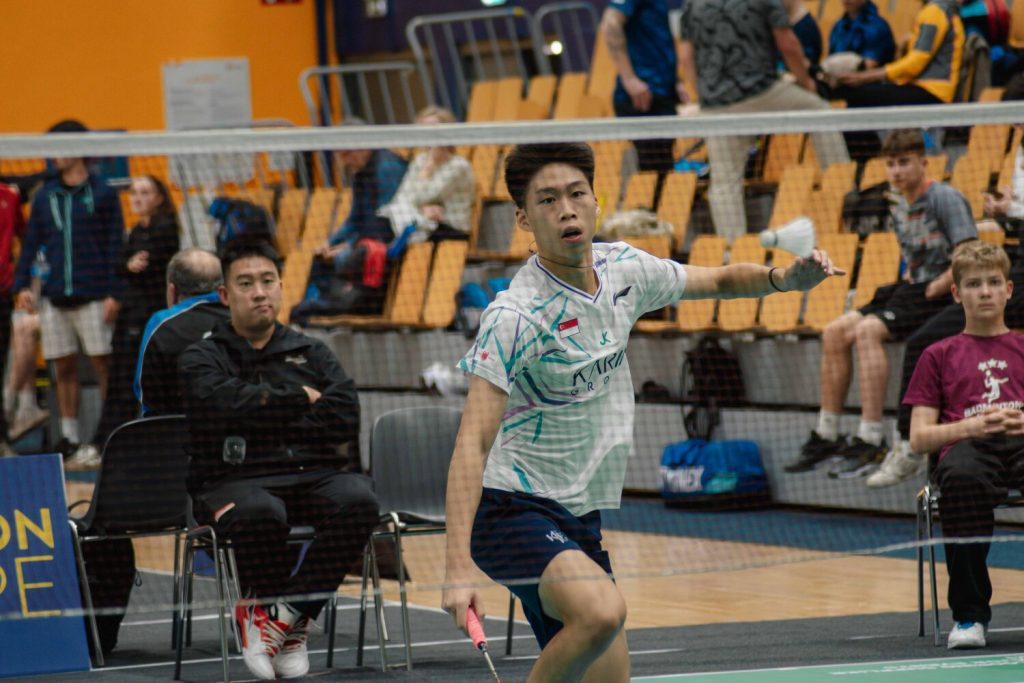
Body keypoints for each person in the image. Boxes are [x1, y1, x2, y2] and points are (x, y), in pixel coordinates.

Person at [441, 142, 841, 681]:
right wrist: (456, 568)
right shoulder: (514, 316)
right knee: (601, 612)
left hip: (579, 511)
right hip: (511, 507)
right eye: (548, 200)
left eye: (576, 194)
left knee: (608, 676)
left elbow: (719, 280)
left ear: (596, 201)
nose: (566, 210)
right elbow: (471, 443)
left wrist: (784, 280)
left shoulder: (624, 270)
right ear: (524, 219)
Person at [179, 239, 378, 680]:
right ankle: (266, 607)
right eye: (246, 283)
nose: (259, 292)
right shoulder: (202, 356)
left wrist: (259, 414)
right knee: (261, 511)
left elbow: (345, 414)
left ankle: (285, 617)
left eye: (268, 281)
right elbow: (218, 405)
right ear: (225, 295)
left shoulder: (312, 352)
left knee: (360, 499)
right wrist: (299, 399)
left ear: (282, 288)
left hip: (309, 475)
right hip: (231, 480)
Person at [785, 129, 977, 479]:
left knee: (868, 331)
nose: (896, 171)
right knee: (834, 331)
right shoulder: (896, 203)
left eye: (904, 162)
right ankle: (827, 433)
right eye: (890, 164)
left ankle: (871, 437)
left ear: (923, 162)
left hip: (938, 293)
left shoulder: (944, 198)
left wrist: (937, 285)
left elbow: (969, 254)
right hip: (910, 287)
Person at [867, 81, 1024, 488]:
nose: (1014, 126)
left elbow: (967, 249)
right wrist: (1007, 210)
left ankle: (906, 444)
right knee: (870, 330)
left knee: (923, 342)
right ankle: (876, 438)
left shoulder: (944, 198)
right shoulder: (1020, 153)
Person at [904, 240, 1024, 650]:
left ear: (1009, 289)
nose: (985, 291)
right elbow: (919, 437)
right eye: (974, 284)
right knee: (960, 480)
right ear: (956, 293)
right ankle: (970, 616)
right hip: (968, 447)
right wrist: (972, 426)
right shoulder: (936, 355)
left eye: (993, 282)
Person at [679, 0, 850, 243]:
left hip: (717, 105)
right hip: (763, 93)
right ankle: (845, 187)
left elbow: (686, 57)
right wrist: (807, 83)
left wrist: (705, 97)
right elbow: (788, 44)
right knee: (819, 110)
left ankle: (733, 250)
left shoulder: (693, 4)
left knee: (724, 183)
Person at [13, 119, 124, 469]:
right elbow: (31, 243)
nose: (53, 155)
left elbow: (115, 245)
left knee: (103, 366)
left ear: (77, 149)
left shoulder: (103, 193)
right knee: (62, 368)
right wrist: (22, 286)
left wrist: (114, 293)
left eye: (58, 147)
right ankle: (70, 438)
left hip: (95, 296)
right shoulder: (45, 195)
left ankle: (111, 435)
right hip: (55, 297)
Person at [94, 175, 179, 443]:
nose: (137, 198)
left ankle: (129, 438)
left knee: (134, 378)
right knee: (119, 376)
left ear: (159, 198)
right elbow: (120, 265)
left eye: (144, 193)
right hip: (130, 312)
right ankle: (109, 439)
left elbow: (142, 266)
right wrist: (127, 264)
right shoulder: (136, 232)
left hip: (147, 315)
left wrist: (128, 265)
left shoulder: (165, 228)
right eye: (134, 193)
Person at [293, 131, 407, 321]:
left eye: (346, 154)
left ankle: (338, 309)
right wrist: (329, 243)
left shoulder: (388, 168)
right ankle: (319, 312)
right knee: (319, 259)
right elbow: (354, 219)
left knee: (345, 258)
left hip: (386, 242)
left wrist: (349, 245)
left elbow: (386, 221)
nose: (344, 162)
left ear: (362, 147)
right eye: (341, 155)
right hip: (365, 240)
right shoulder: (359, 174)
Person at [134, 248, 226, 415]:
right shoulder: (242, 317)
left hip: (174, 426)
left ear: (172, 289)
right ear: (222, 288)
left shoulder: (161, 322)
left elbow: (146, 393)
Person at [601, 0, 686, 177]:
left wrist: (674, 81)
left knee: (663, 171)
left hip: (662, 92)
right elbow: (610, 24)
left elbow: (657, 38)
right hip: (643, 98)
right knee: (653, 174)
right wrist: (629, 79)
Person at [833, 0, 964, 108]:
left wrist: (866, 77)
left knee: (856, 93)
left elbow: (916, 63)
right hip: (928, 88)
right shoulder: (941, 10)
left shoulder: (934, 12)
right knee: (860, 91)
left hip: (932, 91)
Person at [379, 105, 475, 247]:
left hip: (451, 228)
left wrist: (428, 168)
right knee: (381, 222)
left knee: (388, 230)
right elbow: (401, 197)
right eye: (425, 129)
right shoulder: (420, 160)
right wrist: (422, 210)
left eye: (434, 128)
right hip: (425, 222)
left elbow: (421, 197)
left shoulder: (459, 166)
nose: (430, 134)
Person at [0, 180, 26, 455]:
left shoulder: (9, 195)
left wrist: (18, 279)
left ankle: (1, 439)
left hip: (2, 295)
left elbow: (26, 235)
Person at [826, 0, 897, 72]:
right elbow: (831, 56)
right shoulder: (839, 25)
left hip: (867, 76)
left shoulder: (877, 26)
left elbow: (870, 65)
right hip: (838, 75)